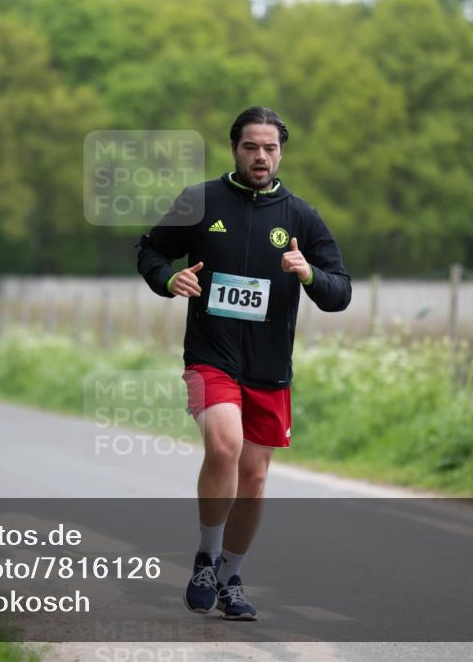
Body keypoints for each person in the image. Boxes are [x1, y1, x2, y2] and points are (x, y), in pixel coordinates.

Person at [137, 106, 351, 620]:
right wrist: (168, 279)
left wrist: (308, 274)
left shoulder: (300, 216)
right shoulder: (200, 201)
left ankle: (230, 577)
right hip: (209, 357)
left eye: (270, 148)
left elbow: (340, 291)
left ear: (281, 153)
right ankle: (206, 559)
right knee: (224, 444)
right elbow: (149, 251)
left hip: (270, 367)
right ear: (234, 148)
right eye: (251, 147)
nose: (261, 156)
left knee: (254, 477)